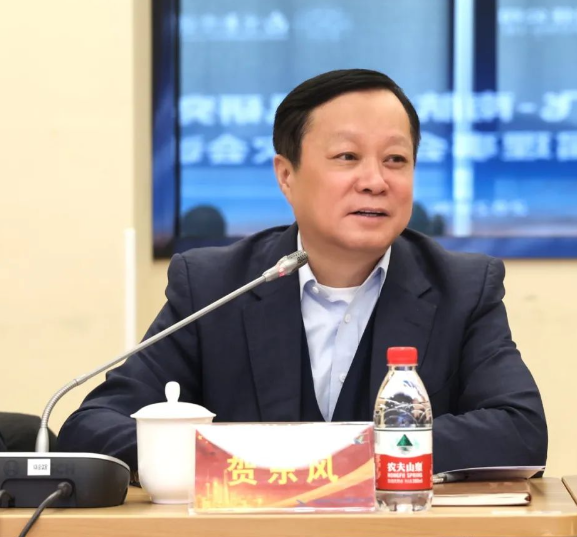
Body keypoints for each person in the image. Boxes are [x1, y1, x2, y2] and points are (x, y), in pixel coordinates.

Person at [58, 69, 547, 472]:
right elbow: (92, 427)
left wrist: (344, 457)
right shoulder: (214, 286)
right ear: (286, 175)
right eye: (347, 157)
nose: (375, 181)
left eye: (395, 159)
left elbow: (520, 431)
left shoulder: (462, 288)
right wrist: (237, 460)